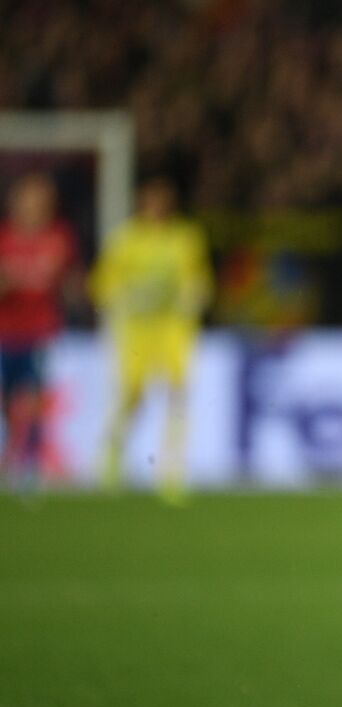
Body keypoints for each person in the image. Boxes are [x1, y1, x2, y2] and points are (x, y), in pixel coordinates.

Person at [90, 175, 213, 502]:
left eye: (162, 200)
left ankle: (171, 470)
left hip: (172, 329)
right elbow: (103, 284)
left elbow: (198, 280)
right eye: (151, 200)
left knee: (178, 393)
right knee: (133, 397)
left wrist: (192, 296)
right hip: (136, 331)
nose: (157, 207)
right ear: (141, 204)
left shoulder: (185, 238)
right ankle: (113, 454)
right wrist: (124, 299)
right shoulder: (126, 239)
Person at [0, 172, 80, 488]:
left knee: (33, 398)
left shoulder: (59, 236)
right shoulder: (4, 237)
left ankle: (29, 465)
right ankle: (16, 454)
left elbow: (70, 279)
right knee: (9, 402)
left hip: (41, 332)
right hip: (5, 331)